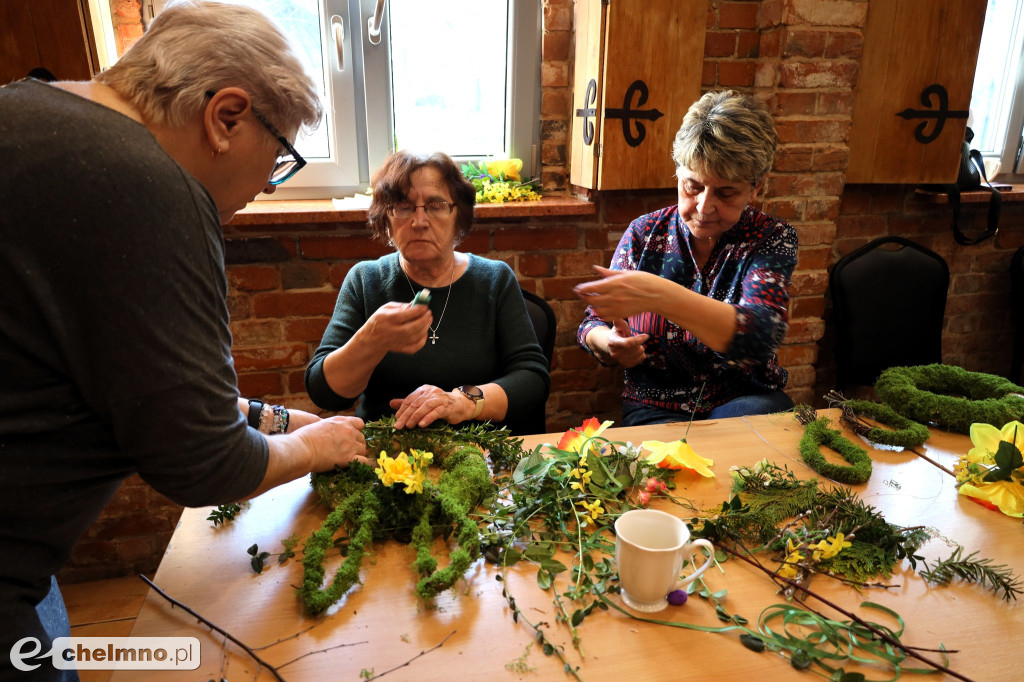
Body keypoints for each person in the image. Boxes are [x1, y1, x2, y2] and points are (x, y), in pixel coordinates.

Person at [0, 2, 371, 678]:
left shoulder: (28, 109)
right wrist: (315, 445)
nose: (264, 187)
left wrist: (278, 420)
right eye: (280, 158)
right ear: (227, 116)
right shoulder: (148, 185)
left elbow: (142, 388)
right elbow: (204, 465)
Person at [574, 90, 797, 426]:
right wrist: (610, 343)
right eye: (693, 185)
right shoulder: (645, 234)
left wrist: (660, 295)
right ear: (677, 173)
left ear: (756, 188)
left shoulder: (771, 237)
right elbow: (593, 323)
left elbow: (760, 337)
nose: (704, 208)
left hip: (743, 399)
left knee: (737, 444)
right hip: (654, 404)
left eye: (726, 192)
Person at [305, 151, 550, 435]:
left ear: (459, 215)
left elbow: (533, 379)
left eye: (435, 205)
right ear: (387, 218)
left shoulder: (494, 279)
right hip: (387, 453)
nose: (419, 221)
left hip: (478, 455)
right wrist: (370, 340)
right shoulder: (366, 280)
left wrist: (463, 401)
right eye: (404, 206)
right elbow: (325, 394)